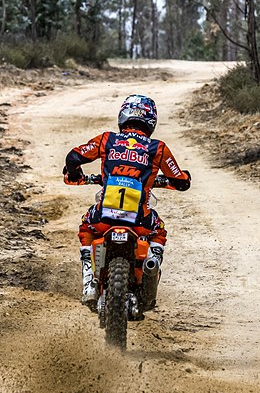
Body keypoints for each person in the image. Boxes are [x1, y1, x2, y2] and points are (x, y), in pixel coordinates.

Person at [63, 94, 191, 310]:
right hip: (139, 220)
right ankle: (150, 275)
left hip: (104, 217)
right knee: (159, 231)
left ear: (123, 116)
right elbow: (181, 181)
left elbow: (73, 158)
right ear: (151, 121)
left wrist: (75, 175)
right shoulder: (157, 148)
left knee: (86, 228)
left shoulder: (106, 140)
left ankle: (88, 283)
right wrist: (183, 179)